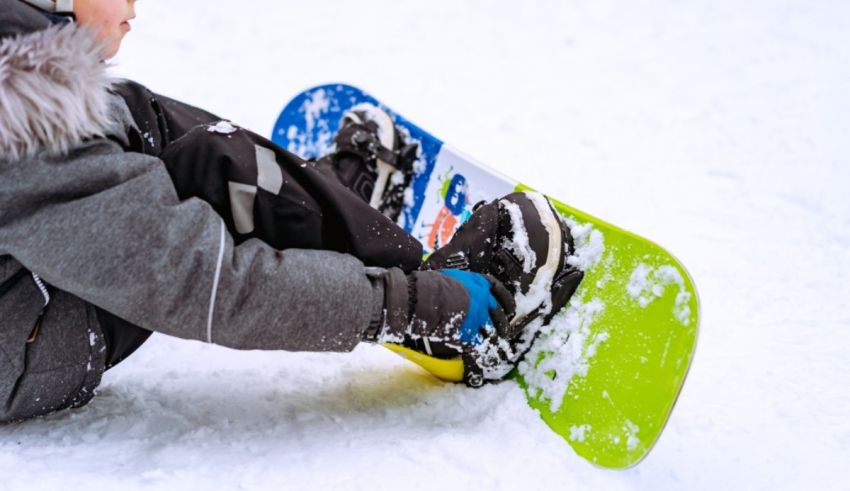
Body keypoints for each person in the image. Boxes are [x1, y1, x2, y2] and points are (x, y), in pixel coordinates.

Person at [0, 0, 583, 424]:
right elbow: (208, 284)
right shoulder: (22, 129)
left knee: (134, 118)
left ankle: (321, 205)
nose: (135, 7)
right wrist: (412, 304)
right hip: (25, 348)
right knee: (212, 173)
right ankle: (448, 316)